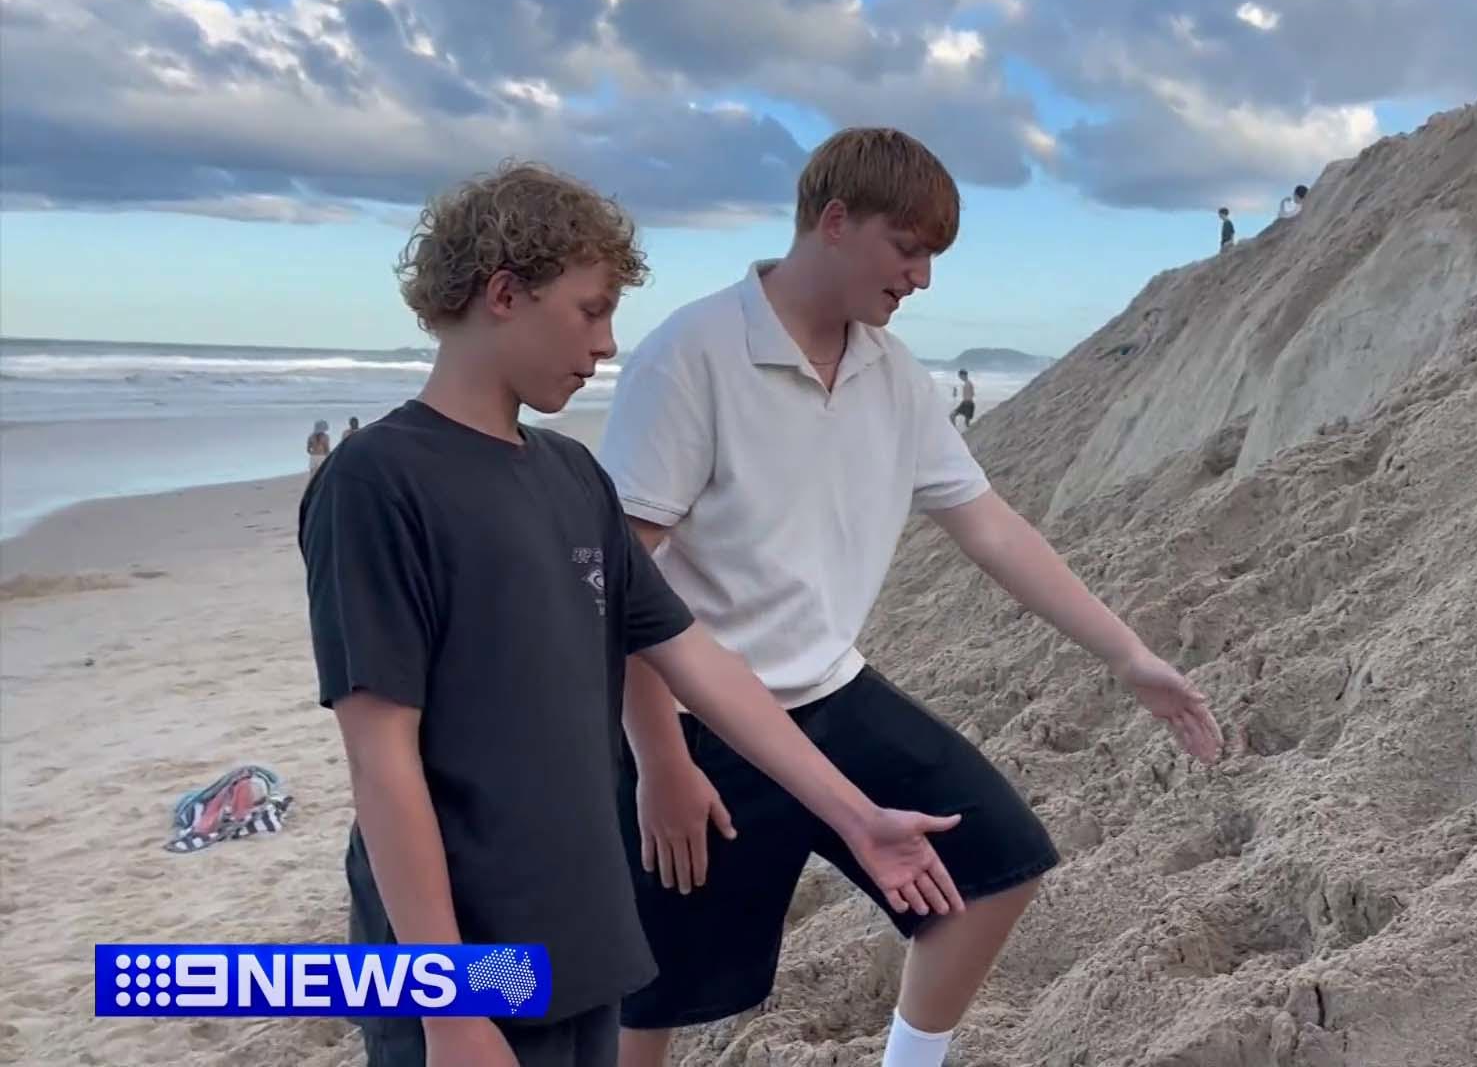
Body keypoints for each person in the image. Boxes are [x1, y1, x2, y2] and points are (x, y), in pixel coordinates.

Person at [299, 160, 966, 1067]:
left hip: (585, 935)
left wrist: (855, 816)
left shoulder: (572, 478)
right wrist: (448, 1008)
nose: (609, 342)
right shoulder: (378, 482)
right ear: (503, 292)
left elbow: (704, 667)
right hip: (468, 959)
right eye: (590, 309)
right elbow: (381, 762)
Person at [598, 126, 1223, 1067]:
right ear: (837, 223)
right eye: (910, 248)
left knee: (996, 865)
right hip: (693, 719)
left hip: (831, 694)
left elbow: (991, 528)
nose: (923, 278)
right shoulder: (690, 356)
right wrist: (656, 761)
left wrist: (1129, 656)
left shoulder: (894, 375)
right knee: (653, 997)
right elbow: (620, 587)